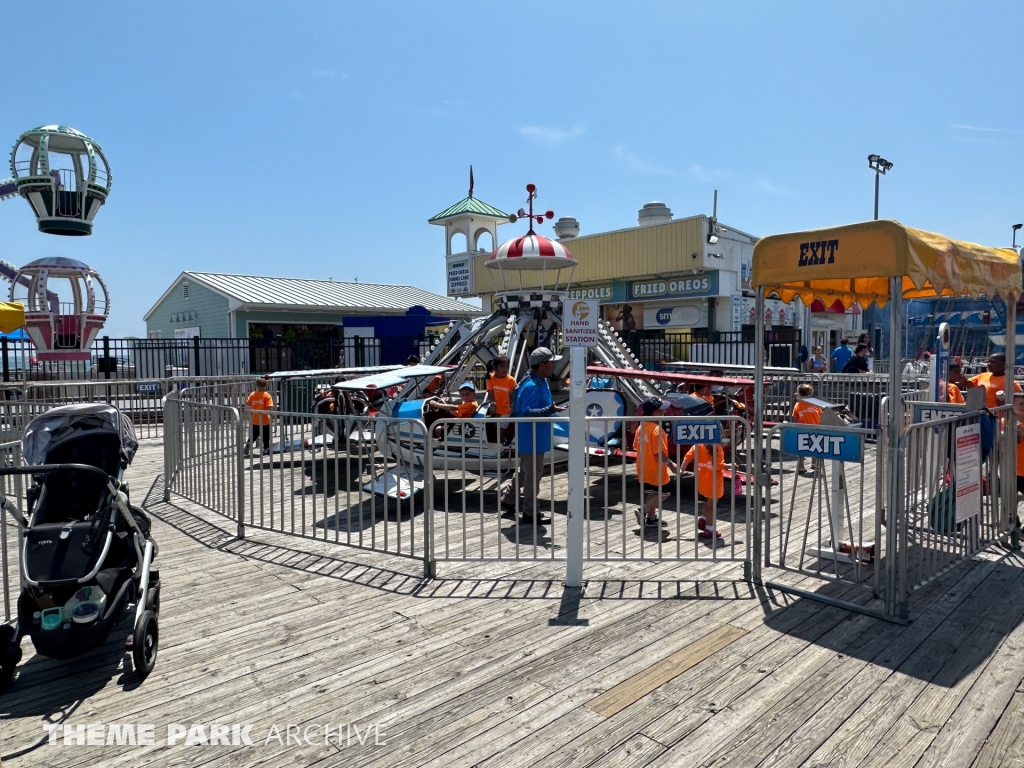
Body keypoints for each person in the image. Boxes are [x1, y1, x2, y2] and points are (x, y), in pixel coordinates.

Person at [499, 348, 567, 524]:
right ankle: (530, 512)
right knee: (533, 476)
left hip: (535, 437)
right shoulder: (532, 386)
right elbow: (526, 413)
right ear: (543, 365)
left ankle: (508, 499)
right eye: (551, 362)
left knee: (526, 472)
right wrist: (549, 410)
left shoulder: (538, 381)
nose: (554, 365)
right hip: (532, 438)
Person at [632, 397, 677, 529]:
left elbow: (636, 445)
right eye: (663, 410)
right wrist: (671, 464)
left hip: (643, 467)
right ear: (656, 413)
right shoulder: (658, 430)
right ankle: (644, 510)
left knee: (652, 492)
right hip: (656, 469)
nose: (665, 413)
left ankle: (651, 518)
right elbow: (659, 452)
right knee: (663, 494)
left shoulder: (641, 427)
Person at [681, 438, 727, 540]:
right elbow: (719, 466)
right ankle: (709, 529)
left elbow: (687, 457)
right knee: (711, 505)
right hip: (714, 482)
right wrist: (730, 466)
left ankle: (703, 519)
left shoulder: (697, 446)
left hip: (702, 480)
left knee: (708, 501)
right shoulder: (718, 449)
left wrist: (681, 470)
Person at [484, 355, 517, 444]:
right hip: (496, 410)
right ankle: (499, 445)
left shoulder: (511, 380)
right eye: (502, 366)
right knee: (495, 428)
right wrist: (493, 404)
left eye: (507, 366)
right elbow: (490, 392)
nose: (505, 369)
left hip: (507, 410)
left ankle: (503, 444)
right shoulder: (490, 378)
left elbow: (515, 395)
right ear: (495, 367)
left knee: (501, 429)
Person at [792, 383, 823, 473]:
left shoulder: (798, 405)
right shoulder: (815, 404)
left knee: (801, 448)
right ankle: (814, 464)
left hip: (802, 430)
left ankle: (801, 466)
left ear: (800, 394)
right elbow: (820, 415)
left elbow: (794, 418)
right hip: (816, 429)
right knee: (815, 447)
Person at [245, 377, 274, 456]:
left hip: (255, 419)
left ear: (257, 385)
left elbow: (248, 403)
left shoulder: (252, 394)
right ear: (266, 386)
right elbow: (269, 407)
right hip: (264, 420)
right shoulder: (267, 395)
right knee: (265, 435)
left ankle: (248, 444)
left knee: (254, 434)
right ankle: (266, 448)